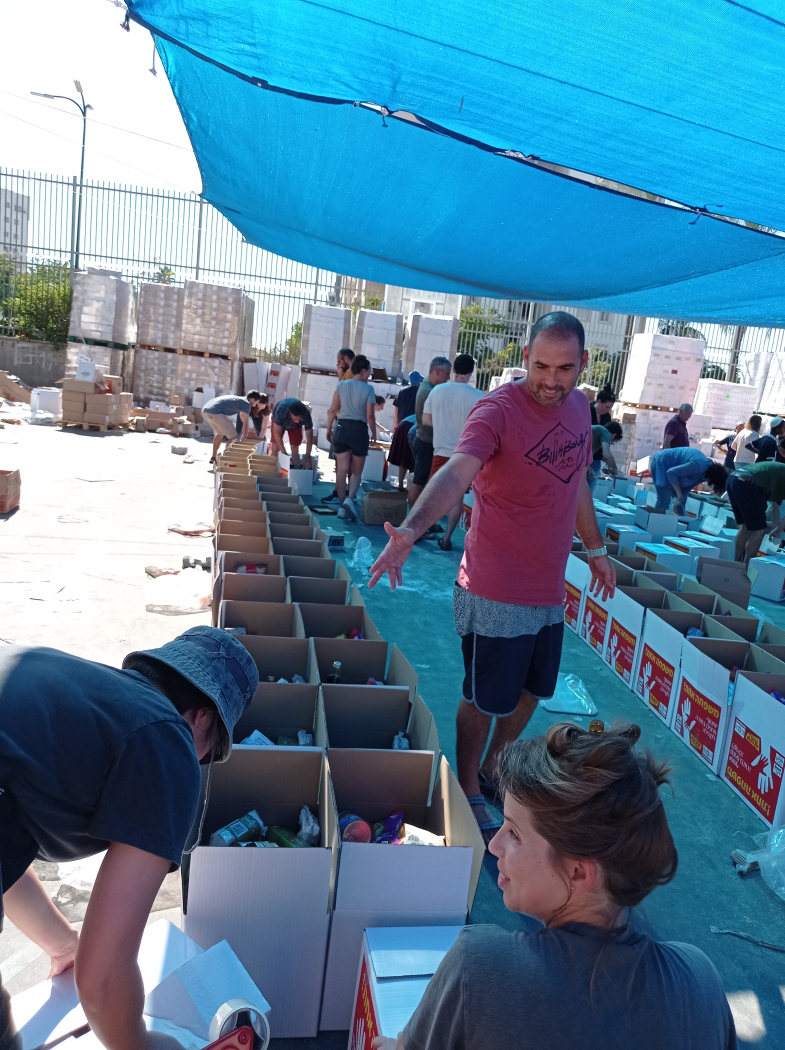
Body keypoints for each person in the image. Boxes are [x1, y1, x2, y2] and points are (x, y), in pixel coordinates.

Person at [369, 311, 616, 843]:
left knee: (532, 691)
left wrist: (595, 549)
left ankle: (493, 767)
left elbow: (576, 482)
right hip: (494, 587)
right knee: (485, 697)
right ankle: (468, 785)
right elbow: (457, 471)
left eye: (564, 368)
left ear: (583, 364)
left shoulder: (579, 408)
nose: (551, 380)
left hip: (548, 587)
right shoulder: (497, 410)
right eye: (541, 366)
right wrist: (410, 530)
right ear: (525, 358)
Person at [373, 722, 736, 1050]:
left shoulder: (480, 971)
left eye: (515, 834)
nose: (494, 845)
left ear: (579, 872)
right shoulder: (700, 983)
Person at [0, 627, 258, 1050]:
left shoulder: (80, 691)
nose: (198, 761)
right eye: (209, 752)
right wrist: (140, 1044)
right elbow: (102, 977)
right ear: (203, 717)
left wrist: (64, 947)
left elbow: (7, 854)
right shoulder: (168, 740)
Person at [421, 354, 483, 551]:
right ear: (471, 372)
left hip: (440, 451)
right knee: (457, 498)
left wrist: (443, 423)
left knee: (433, 494)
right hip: (463, 455)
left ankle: (421, 529)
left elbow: (426, 420)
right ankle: (447, 538)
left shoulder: (437, 390)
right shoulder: (478, 396)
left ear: (453, 370)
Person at [326, 354, 377, 520]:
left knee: (341, 470)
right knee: (356, 472)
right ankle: (350, 499)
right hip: (359, 429)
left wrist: (329, 428)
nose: (369, 376)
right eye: (368, 372)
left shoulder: (342, 385)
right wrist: (374, 432)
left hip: (341, 427)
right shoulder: (368, 389)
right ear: (363, 371)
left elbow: (333, 410)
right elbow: (370, 415)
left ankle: (342, 506)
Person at [408, 357, 452, 511]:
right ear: (437, 371)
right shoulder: (429, 391)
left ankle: (415, 517)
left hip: (424, 439)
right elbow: (431, 420)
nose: (448, 378)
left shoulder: (428, 388)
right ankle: (412, 518)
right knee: (419, 482)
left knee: (422, 482)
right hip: (426, 441)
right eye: (447, 374)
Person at [727, 461, 785, 564]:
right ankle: (746, 568)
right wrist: (778, 530)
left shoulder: (780, 480)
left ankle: (736, 565)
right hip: (748, 483)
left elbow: (775, 510)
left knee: (746, 526)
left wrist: (776, 531)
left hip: (733, 479)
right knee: (759, 530)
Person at [649, 447, 728, 514]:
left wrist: (680, 502)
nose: (710, 485)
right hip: (661, 462)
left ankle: (678, 523)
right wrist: (678, 492)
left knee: (681, 502)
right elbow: (671, 473)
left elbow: (686, 488)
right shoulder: (698, 466)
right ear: (714, 478)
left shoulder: (704, 474)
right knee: (664, 499)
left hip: (672, 470)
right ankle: (655, 524)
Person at [202, 391, 267, 463]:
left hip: (205, 411)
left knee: (220, 433)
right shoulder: (246, 404)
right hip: (216, 413)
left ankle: (213, 457)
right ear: (252, 400)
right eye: (256, 403)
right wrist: (244, 439)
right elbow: (245, 424)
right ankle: (225, 461)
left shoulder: (238, 400)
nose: (254, 406)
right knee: (234, 438)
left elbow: (225, 409)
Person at [269, 397, 315, 468]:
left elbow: (310, 438)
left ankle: (295, 469)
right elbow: (277, 435)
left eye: (299, 420)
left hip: (296, 427)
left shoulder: (306, 415)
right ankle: (272, 469)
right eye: (295, 419)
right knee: (275, 447)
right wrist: (284, 454)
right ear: (291, 414)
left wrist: (307, 456)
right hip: (280, 422)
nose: (297, 421)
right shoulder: (281, 411)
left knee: (295, 447)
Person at [588, 421, 623, 492]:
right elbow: (607, 455)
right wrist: (615, 469)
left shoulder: (596, 433)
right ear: (613, 435)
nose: (609, 442)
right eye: (611, 441)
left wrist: (588, 468)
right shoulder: (605, 432)